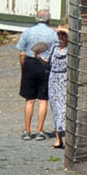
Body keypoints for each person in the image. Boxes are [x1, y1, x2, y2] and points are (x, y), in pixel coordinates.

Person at [15, 9, 59, 138]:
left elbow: (21, 52)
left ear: (36, 19)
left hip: (30, 64)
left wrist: (23, 67)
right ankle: (40, 131)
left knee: (29, 100)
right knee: (43, 100)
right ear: (49, 20)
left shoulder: (28, 32)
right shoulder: (53, 34)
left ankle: (27, 130)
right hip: (45, 65)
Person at [46, 28, 69, 150]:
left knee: (64, 108)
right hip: (54, 78)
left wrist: (67, 32)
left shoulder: (71, 49)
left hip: (64, 79)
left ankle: (69, 138)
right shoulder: (54, 47)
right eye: (59, 34)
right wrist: (37, 57)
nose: (60, 36)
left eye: (63, 34)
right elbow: (47, 61)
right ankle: (58, 138)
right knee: (55, 108)